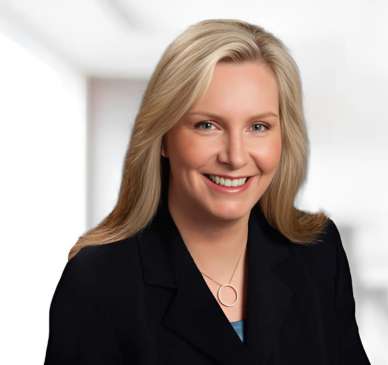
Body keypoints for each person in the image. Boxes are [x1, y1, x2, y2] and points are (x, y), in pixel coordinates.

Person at [44, 18, 371, 364]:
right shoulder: (100, 280)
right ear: (164, 137)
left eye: (258, 127)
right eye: (207, 125)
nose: (235, 156)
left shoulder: (317, 253)